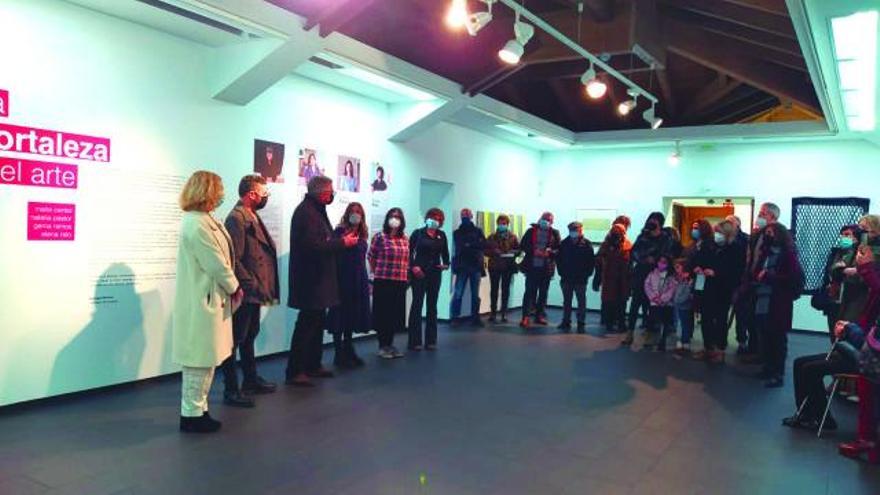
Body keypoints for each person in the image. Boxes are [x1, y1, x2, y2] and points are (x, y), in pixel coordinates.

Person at [173, 171, 242, 433]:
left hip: (211, 298)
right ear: (207, 191)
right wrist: (234, 286)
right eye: (219, 189)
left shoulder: (203, 220)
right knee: (198, 360)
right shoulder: (197, 223)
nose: (222, 195)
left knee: (206, 359)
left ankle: (197, 409)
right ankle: (191, 414)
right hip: (205, 300)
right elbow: (215, 262)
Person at [286, 176, 359, 387]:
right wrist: (343, 243)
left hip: (317, 280)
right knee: (307, 325)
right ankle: (295, 370)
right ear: (321, 192)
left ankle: (312, 364)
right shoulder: (307, 213)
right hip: (311, 281)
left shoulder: (314, 210)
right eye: (330, 190)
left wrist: (337, 242)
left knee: (316, 323)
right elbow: (314, 246)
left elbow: (321, 242)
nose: (332, 194)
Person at [220, 174, 278, 409]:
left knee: (249, 334)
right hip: (244, 290)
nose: (266, 196)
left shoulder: (251, 215)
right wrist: (249, 283)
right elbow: (233, 259)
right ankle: (231, 388)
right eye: (264, 192)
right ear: (252, 194)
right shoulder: (237, 218)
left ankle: (250, 379)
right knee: (234, 340)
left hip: (253, 289)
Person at [782, 320, 863, 432]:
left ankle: (822, 418)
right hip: (849, 354)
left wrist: (849, 327)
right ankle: (805, 414)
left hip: (860, 360)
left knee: (810, 369)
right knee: (799, 363)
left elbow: (863, 339)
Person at [751, 222, 803, 387]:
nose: (768, 235)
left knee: (778, 338)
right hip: (762, 299)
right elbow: (756, 272)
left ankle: (777, 373)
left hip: (778, 302)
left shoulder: (788, 255)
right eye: (766, 232)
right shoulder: (764, 253)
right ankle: (767, 367)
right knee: (765, 336)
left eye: (771, 232)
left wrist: (769, 277)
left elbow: (792, 279)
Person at [326, 202, 371, 368]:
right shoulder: (339, 231)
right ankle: (339, 353)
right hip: (341, 278)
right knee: (340, 315)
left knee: (353, 315)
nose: (355, 214)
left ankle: (349, 349)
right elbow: (333, 253)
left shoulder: (362, 233)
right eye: (352, 211)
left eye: (358, 212)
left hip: (358, 278)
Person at [737, 202, 782, 363]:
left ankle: (766, 357)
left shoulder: (778, 236)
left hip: (768, 286)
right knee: (752, 318)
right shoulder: (758, 235)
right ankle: (755, 349)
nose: (759, 216)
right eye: (760, 213)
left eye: (763, 214)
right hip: (753, 282)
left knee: (765, 323)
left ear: (773, 217)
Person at [369, 208, 410, 359]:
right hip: (383, 280)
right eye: (392, 216)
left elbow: (407, 259)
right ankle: (382, 346)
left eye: (398, 217)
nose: (395, 219)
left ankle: (390, 345)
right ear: (387, 219)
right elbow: (371, 256)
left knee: (394, 315)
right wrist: (375, 273)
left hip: (399, 281)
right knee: (383, 315)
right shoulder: (380, 237)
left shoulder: (405, 238)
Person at [626, 213, 672, 345]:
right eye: (650, 220)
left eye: (654, 221)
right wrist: (644, 257)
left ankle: (650, 333)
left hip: (656, 275)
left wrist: (655, 259)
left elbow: (665, 255)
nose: (651, 223)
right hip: (640, 273)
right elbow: (633, 252)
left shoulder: (665, 238)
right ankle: (630, 332)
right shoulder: (643, 236)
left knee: (652, 304)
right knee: (635, 303)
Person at [408, 208, 450, 350]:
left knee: (432, 306)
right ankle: (415, 341)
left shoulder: (442, 235)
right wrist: (413, 267)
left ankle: (431, 340)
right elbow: (408, 253)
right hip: (419, 273)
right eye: (433, 217)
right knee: (417, 305)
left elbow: (446, 255)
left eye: (439, 218)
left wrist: (446, 265)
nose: (435, 220)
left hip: (435, 274)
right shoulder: (418, 233)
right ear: (427, 218)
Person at [687, 219, 721, 361]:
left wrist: (705, 268)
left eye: (697, 227)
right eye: (693, 227)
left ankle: (711, 347)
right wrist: (694, 268)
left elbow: (714, 262)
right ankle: (707, 347)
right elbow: (691, 261)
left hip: (709, 285)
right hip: (699, 282)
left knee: (708, 317)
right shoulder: (695, 245)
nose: (694, 230)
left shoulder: (710, 245)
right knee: (704, 317)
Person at [520, 212, 561, 328]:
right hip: (532, 267)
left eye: (549, 220)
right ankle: (525, 317)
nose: (546, 221)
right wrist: (534, 251)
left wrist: (549, 253)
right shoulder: (530, 231)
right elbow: (523, 245)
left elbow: (559, 249)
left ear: (552, 222)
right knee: (529, 292)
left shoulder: (555, 233)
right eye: (544, 218)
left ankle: (539, 316)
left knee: (543, 293)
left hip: (546, 268)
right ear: (540, 218)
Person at [712, 220, 747, 352]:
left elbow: (735, 270)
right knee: (717, 317)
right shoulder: (716, 247)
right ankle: (716, 344)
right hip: (716, 287)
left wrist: (717, 272)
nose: (716, 235)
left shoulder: (736, 249)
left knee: (722, 318)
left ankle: (720, 346)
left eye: (719, 232)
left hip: (727, 287)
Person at [556, 222, 595, 333]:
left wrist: (587, 274)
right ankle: (566, 321)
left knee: (581, 301)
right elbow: (559, 260)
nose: (574, 231)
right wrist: (561, 273)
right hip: (566, 277)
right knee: (567, 301)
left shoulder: (587, 244)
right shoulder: (564, 243)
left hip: (580, 278)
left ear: (581, 230)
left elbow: (591, 261)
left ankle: (581, 322)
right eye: (572, 229)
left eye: (577, 229)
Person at [450, 208, 486, 326]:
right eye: (463, 214)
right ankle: (455, 317)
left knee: (475, 294)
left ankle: (475, 317)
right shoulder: (457, 232)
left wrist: (469, 244)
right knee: (458, 293)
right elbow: (461, 245)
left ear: (471, 216)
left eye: (467, 214)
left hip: (476, 266)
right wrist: (473, 244)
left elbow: (483, 245)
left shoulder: (478, 231)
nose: (465, 216)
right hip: (462, 266)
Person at [596, 224, 630, 334]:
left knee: (622, 302)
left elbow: (631, 259)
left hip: (623, 278)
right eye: (615, 230)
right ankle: (609, 323)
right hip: (609, 277)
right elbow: (599, 258)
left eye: (619, 230)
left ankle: (621, 323)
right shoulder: (606, 244)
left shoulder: (627, 244)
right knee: (609, 302)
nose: (616, 232)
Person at [485, 214, 520, 323]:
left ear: (507, 224)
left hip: (508, 266)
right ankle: (493, 313)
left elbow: (518, 250)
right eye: (500, 223)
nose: (502, 225)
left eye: (504, 223)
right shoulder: (491, 237)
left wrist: (512, 253)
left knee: (506, 290)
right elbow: (485, 250)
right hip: (494, 266)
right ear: (497, 224)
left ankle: (504, 313)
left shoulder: (513, 237)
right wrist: (493, 252)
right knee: (494, 290)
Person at [726, 214, 751, 354]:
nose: (728, 224)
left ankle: (742, 340)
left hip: (740, 280)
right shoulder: (723, 239)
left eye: (731, 222)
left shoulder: (746, 240)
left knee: (741, 313)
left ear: (738, 225)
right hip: (726, 281)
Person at [643, 255, 678, 351]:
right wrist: (653, 297)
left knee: (665, 322)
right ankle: (650, 340)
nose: (661, 264)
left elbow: (672, 289)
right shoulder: (652, 274)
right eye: (660, 261)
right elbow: (647, 285)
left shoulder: (671, 276)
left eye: (664, 262)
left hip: (666, 304)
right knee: (652, 321)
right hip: (654, 302)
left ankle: (662, 341)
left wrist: (662, 299)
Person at [672, 258, 695, 354]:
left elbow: (688, 293)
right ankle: (680, 343)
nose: (676, 269)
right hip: (677, 305)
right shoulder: (676, 278)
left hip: (684, 305)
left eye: (678, 267)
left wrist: (678, 300)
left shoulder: (688, 280)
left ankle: (685, 343)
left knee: (684, 324)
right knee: (679, 324)